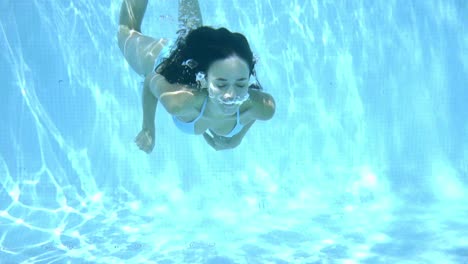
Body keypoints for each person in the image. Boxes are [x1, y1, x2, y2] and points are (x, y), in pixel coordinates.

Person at [117, 0, 275, 153]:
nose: (231, 95)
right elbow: (151, 79)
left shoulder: (262, 108)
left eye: (241, 84)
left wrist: (237, 139)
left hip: (200, 57)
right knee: (126, 32)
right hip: (164, 61)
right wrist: (148, 127)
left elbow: (254, 111)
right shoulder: (179, 101)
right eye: (221, 84)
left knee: (191, 33)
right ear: (204, 79)